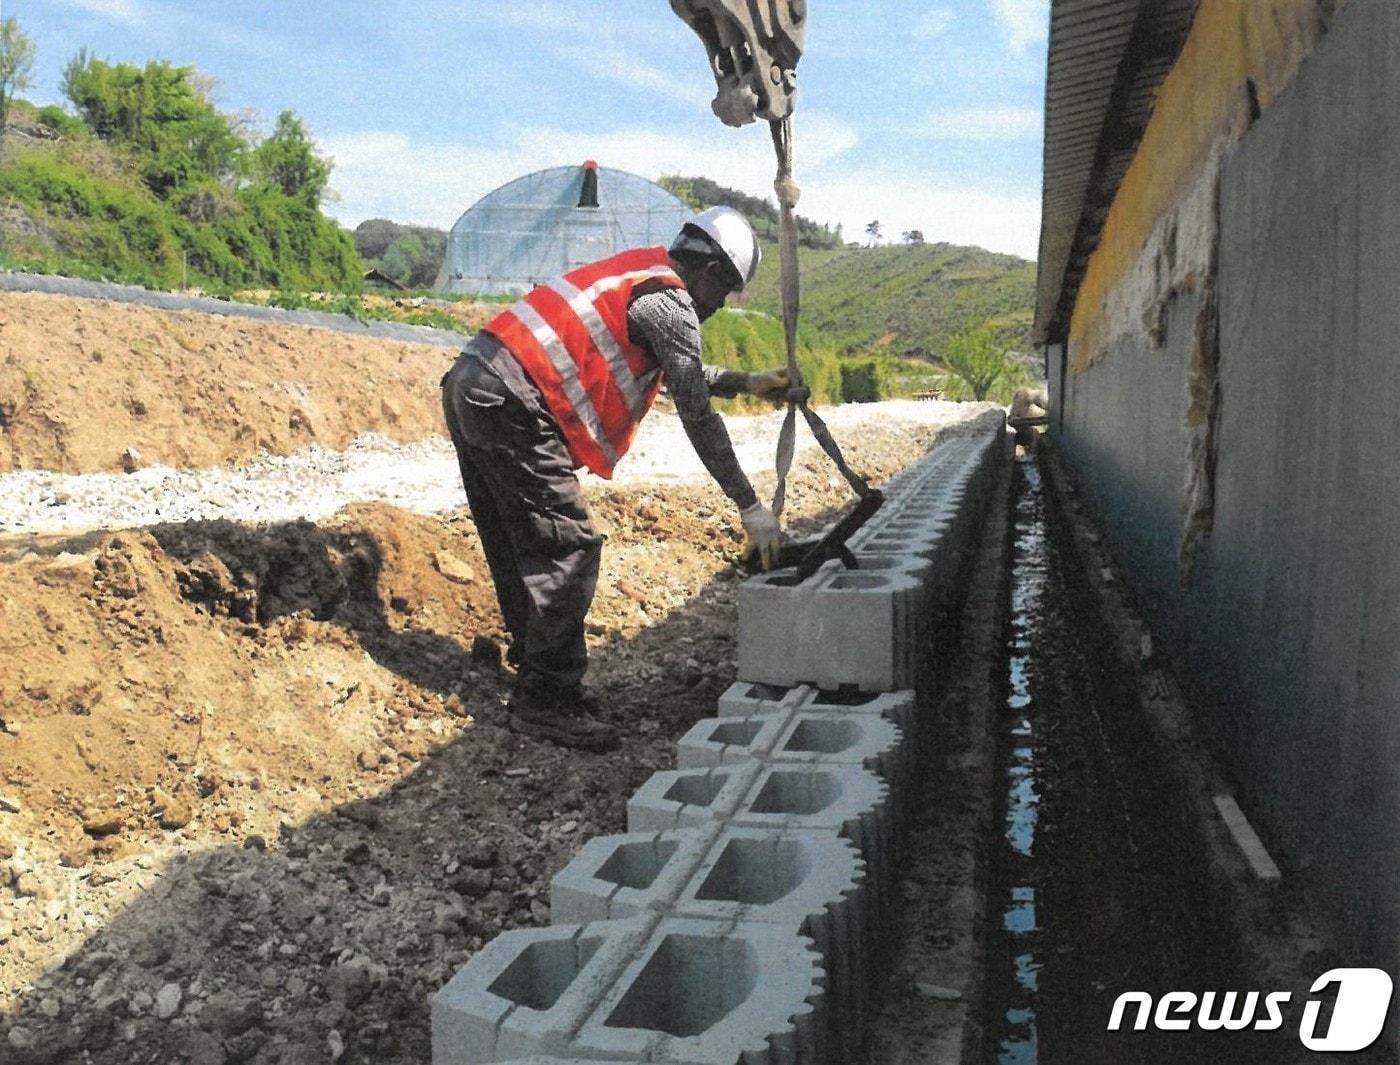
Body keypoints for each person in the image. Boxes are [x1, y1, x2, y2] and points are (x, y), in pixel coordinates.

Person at [440, 206, 788, 752]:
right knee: (569, 548)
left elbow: (683, 372)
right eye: (725, 294)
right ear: (712, 272)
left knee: (522, 542)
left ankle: (542, 678)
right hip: (512, 397)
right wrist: (750, 508)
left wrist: (748, 381)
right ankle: (546, 701)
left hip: (476, 381)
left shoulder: (644, 278)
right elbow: (696, 412)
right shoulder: (670, 305)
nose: (719, 308)